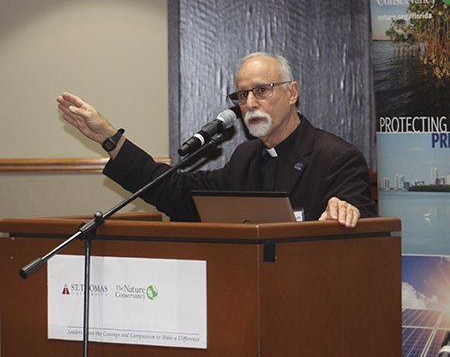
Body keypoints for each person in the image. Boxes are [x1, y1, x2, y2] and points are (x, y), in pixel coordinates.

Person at [57, 52, 377, 228]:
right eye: (242, 94)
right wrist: (111, 139)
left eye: (262, 90)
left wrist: (348, 212)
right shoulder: (245, 157)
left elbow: (364, 224)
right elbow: (177, 191)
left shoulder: (336, 158)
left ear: (291, 92)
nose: (250, 103)